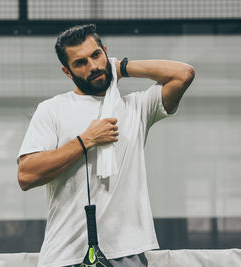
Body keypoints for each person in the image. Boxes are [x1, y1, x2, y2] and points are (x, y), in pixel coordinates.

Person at [17, 24, 195, 267]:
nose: (93, 67)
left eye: (96, 55)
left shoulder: (137, 107)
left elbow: (183, 74)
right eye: (80, 63)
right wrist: (86, 140)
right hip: (66, 254)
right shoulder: (52, 109)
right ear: (67, 72)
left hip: (127, 251)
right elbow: (26, 175)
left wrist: (121, 67)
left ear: (105, 52)